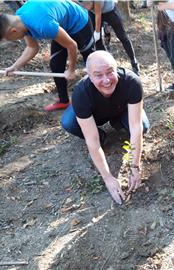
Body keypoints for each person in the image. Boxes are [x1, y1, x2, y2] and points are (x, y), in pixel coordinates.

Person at [61, 51, 150, 204]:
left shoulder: (132, 82)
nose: (106, 80)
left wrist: (135, 167)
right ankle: (104, 135)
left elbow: (136, 127)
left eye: (110, 72)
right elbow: (92, 141)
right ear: (89, 75)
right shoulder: (81, 93)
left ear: (116, 69)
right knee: (68, 122)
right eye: (98, 75)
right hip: (94, 115)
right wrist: (108, 177)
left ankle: (118, 123)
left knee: (143, 126)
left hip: (121, 110)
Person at [0, 0, 95, 112]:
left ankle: (98, 95)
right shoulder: (20, 20)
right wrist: (15, 66)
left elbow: (72, 46)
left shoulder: (43, 25)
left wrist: (71, 70)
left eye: (10, 39)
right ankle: (64, 101)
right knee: (56, 64)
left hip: (79, 22)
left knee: (91, 61)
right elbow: (32, 47)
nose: (13, 40)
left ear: (13, 31)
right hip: (61, 26)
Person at [81, 0, 140, 75]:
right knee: (97, 41)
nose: (85, 7)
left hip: (109, 10)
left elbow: (98, 15)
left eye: (87, 5)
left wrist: (97, 32)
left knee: (122, 36)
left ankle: (133, 62)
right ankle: (105, 64)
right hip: (94, 13)